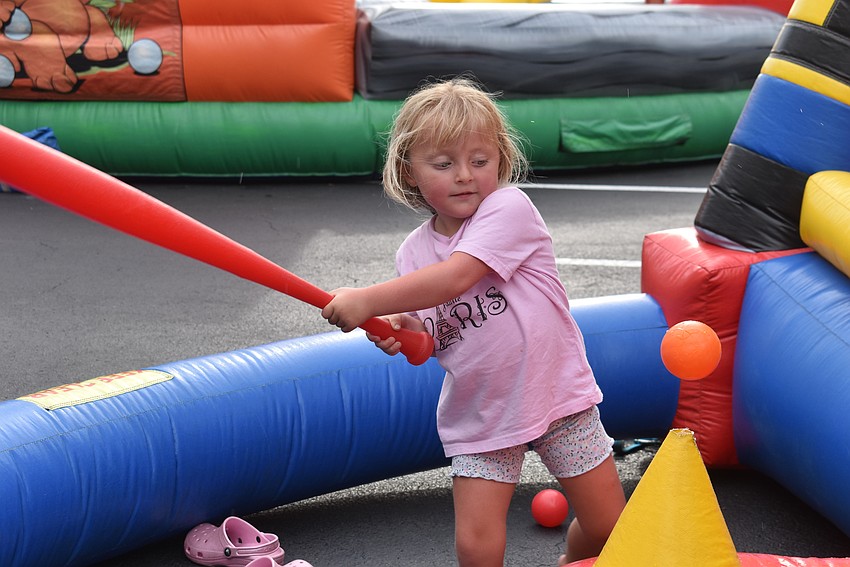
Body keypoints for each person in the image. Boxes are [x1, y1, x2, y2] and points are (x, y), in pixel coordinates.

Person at [321, 76, 625, 567]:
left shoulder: (509, 208)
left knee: (610, 526)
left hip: (556, 395)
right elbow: (429, 333)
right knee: (476, 546)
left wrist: (366, 301)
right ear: (411, 172)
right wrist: (404, 332)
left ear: (500, 162)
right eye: (443, 164)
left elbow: (457, 277)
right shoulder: (413, 252)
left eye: (479, 161)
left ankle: (573, 561)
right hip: (482, 411)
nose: (465, 175)